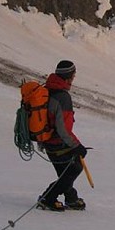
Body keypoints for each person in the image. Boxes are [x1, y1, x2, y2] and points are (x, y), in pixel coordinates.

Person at [37, 60, 88, 212]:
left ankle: (71, 198)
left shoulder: (46, 90)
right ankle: (48, 198)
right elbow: (63, 129)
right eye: (73, 76)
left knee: (64, 171)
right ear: (68, 77)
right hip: (58, 142)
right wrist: (77, 146)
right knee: (74, 168)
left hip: (46, 140)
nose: (73, 79)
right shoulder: (63, 97)